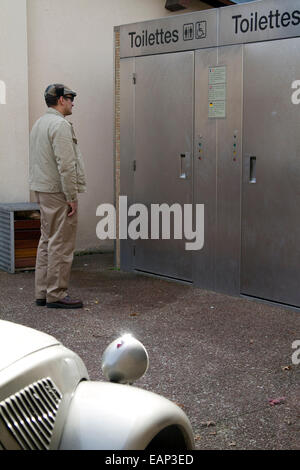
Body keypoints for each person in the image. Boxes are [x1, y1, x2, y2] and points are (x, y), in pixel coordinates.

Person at [29, 84, 87, 309]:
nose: (73, 103)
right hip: (58, 191)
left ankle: (42, 292)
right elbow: (66, 164)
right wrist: (71, 196)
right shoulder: (60, 125)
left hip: (43, 189)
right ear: (61, 100)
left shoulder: (39, 123)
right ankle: (57, 293)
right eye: (71, 98)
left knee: (47, 240)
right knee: (61, 243)